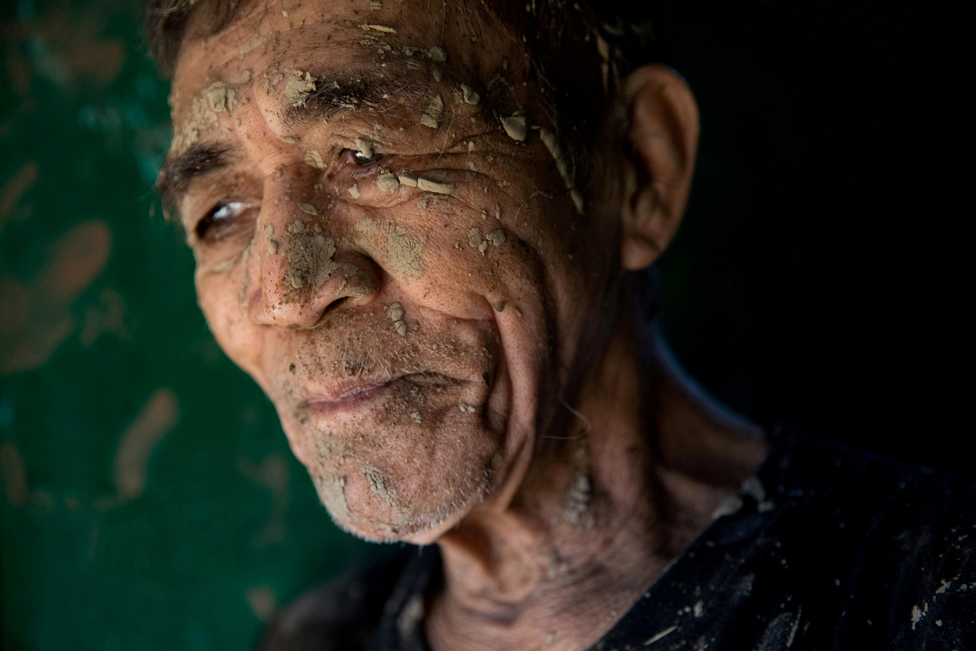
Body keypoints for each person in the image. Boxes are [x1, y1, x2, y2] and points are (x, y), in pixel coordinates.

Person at [146, 0, 975, 649]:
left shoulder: (928, 590)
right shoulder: (312, 643)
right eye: (221, 212)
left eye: (369, 153)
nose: (285, 289)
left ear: (640, 170)